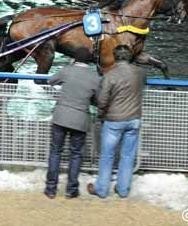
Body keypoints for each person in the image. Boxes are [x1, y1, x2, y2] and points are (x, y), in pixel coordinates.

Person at [87, 45, 146, 199]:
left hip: (113, 121)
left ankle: (101, 189)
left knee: (107, 156)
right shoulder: (140, 73)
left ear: (114, 57)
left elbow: (102, 100)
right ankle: (123, 189)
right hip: (134, 120)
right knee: (128, 156)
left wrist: (101, 114)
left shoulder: (110, 75)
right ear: (130, 57)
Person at [44, 48, 100, 199]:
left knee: (55, 152)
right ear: (89, 61)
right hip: (80, 119)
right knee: (76, 154)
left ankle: (50, 189)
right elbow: (98, 100)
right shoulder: (94, 77)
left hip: (61, 116)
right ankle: (71, 190)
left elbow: (50, 81)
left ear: (74, 59)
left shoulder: (67, 70)